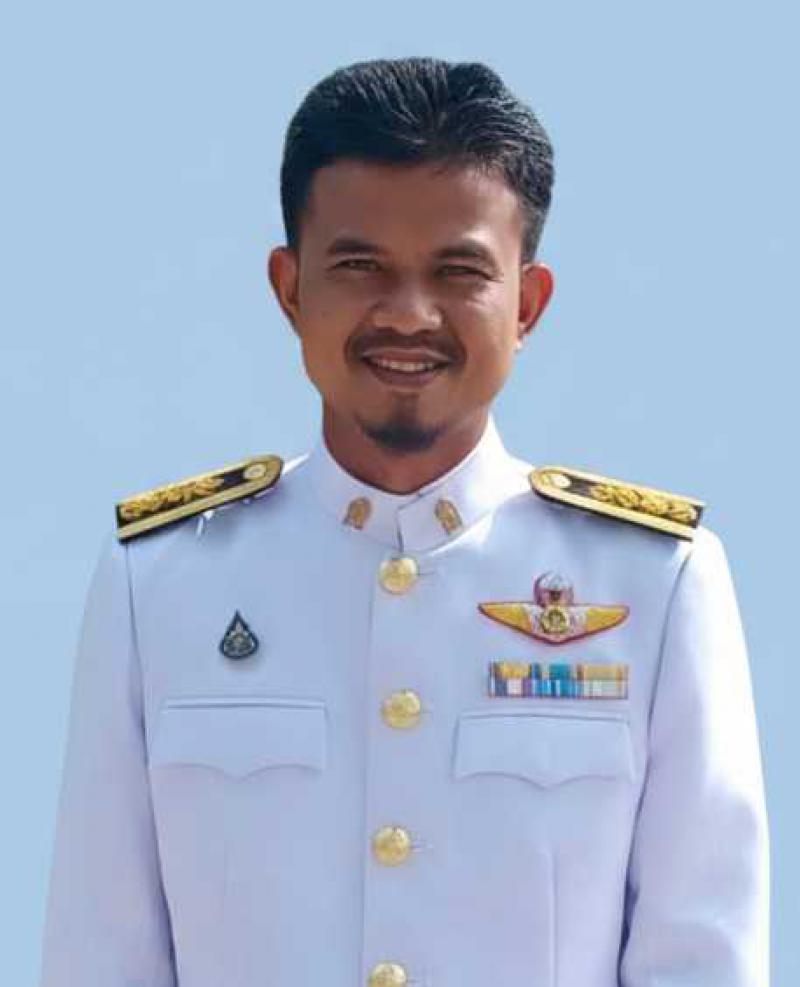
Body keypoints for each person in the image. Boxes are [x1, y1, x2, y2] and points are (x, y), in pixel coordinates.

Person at [39, 56, 769, 987]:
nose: (409, 315)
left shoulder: (655, 583)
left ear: (527, 303)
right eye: (359, 266)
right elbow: (99, 955)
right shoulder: (161, 584)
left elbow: (702, 958)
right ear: (290, 289)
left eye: (458, 271)